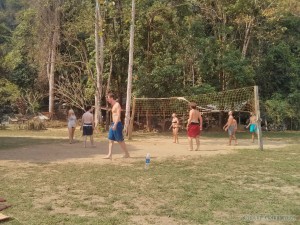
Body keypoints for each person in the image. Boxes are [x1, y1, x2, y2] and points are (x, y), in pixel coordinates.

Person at [103, 92, 130, 159]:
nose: (107, 100)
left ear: (111, 98)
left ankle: (127, 154)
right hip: (113, 124)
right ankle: (109, 155)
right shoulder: (113, 105)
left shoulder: (117, 105)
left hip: (117, 124)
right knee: (110, 139)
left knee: (120, 140)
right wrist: (113, 124)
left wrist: (115, 125)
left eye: (108, 98)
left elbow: (118, 115)